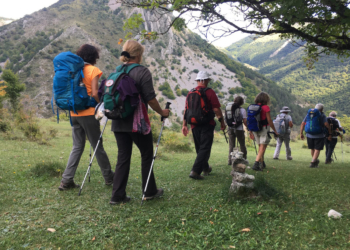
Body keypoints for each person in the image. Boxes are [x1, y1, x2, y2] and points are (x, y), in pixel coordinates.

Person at [110, 40, 170, 205]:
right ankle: (149, 191)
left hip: (118, 120)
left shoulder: (117, 70)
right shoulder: (142, 71)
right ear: (139, 55)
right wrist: (162, 112)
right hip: (137, 122)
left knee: (123, 157)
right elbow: (150, 99)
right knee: (146, 154)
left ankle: (117, 196)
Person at [59, 44, 114, 191]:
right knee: (97, 146)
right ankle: (109, 177)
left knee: (77, 146)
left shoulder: (73, 70)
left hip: (74, 113)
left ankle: (66, 180)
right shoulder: (93, 70)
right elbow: (95, 93)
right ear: (93, 57)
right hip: (89, 113)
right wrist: (100, 105)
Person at [182, 71, 226, 180]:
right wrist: (222, 122)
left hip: (193, 124)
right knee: (205, 147)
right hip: (207, 123)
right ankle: (195, 171)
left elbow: (186, 110)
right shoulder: (210, 92)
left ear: (198, 80)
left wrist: (184, 125)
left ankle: (205, 168)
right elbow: (216, 109)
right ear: (206, 80)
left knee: (200, 147)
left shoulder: (190, 92)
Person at [249, 92, 279, 171]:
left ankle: (262, 163)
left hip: (255, 129)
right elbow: (269, 120)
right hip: (264, 129)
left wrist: (250, 131)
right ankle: (256, 164)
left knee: (260, 147)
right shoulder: (266, 107)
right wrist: (275, 130)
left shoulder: (252, 107)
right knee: (263, 147)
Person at [300, 103, 332, 168]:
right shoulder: (322, 115)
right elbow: (326, 124)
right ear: (322, 109)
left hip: (309, 134)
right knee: (317, 149)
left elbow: (303, 123)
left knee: (312, 149)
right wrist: (330, 133)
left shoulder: (309, 114)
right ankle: (313, 162)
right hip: (319, 135)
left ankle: (315, 161)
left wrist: (301, 133)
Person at [227, 96, 248, 165]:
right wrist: (248, 128)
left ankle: (230, 161)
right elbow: (244, 121)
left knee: (231, 145)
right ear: (241, 102)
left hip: (230, 128)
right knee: (242, 144)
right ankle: (243, 159)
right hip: (239, 129)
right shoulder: (242, 110)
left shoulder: (229, 108)